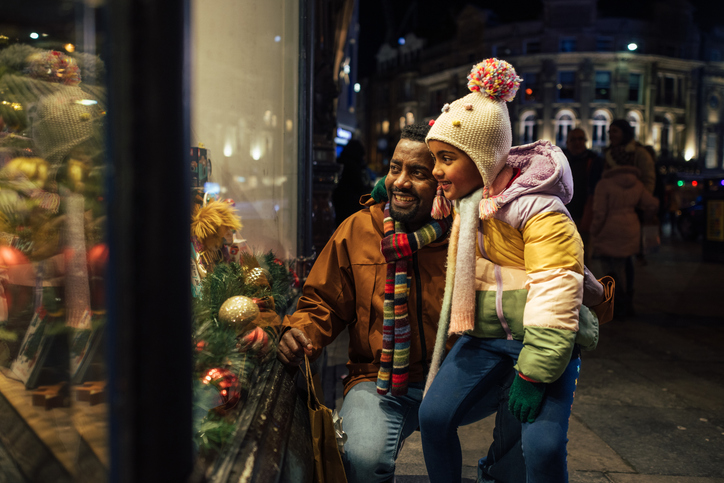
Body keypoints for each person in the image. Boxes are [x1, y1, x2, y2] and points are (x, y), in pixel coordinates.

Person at [418, 58, 609, 483]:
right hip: (487, 336)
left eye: (445, 158)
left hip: (545, 339)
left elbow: (558, 292)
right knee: (433, 416)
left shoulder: (541, 211)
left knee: (541, 448)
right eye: (435, 158)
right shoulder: (469, 197)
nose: (435, 171)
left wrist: (533, 371)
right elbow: (431, 205)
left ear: (482, 159)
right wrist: (390, 192)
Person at [278, 124, 457, 483]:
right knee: (359, 458)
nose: (400, 182)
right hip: (379, 380)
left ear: (442, 181)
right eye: (395, 168)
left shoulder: (468, 232)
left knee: (530, 399)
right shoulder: (360, 229)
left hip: (456, 379)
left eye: (418, 173)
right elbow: (322, 302)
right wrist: (299, 331)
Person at [590, 163, 658, 318]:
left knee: (609, 269)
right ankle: (627, 304)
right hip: (631, 227)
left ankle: (617, 305)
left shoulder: (604, 184)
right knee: (625, 267)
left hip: (609, 229)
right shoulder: (637, 183)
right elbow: (652, 204)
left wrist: (594, 231)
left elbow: (600, 213)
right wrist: (646, 217)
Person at [564, 128, 603, 260]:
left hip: (585, 216)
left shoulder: (594, 161)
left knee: (583, 258)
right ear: (567, 142)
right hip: (563, 216)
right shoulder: (560, 159)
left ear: (585, 141)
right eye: (573, 139)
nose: (577, 142)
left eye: (580, 139)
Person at [605, 119, 655, 194]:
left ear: (624, 133)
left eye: (615, 131)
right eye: (609, 132)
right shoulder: (609, 155)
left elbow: (648, 181)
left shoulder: (640, 153)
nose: (611, 135)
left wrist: (639, 200)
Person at [332, 139, 373, 226]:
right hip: (351, 205)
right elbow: (360, 186)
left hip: (339, 202)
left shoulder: (341, 161)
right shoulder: (354, 166)